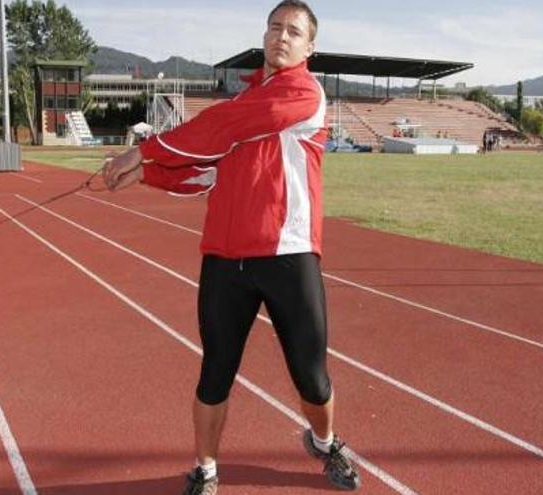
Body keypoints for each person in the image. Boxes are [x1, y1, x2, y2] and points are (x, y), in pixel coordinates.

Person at [101, 1, 361, 493]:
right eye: (274, 27)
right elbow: (207, 171)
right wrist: (147, 174)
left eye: (294, 31)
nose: (281, 37)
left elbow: (223, 127)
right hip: (225, 258)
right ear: (264, 35)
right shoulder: (247, 101)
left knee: (311, 377)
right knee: (215, 371)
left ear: (310, 46)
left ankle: (325, 442)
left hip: (288, 253)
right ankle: (206, 468)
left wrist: (144, 148)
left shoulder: (303, 93)